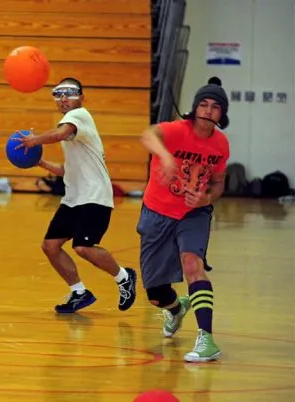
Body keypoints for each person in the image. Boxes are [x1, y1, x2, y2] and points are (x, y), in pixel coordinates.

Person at [15, 77, 137, 314]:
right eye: (58, 94)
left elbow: (60, 134)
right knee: (50, 246)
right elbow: (66, 170)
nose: (63, 98)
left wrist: (34, 140)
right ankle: (79, 292)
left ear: (81, 97)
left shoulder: (80, 116)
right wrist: (39, 162)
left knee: (83, 247)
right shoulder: (72, 131)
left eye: (70, 93)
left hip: (95, 197)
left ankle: (124, 277)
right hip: (74, 198)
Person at [137, 78, 230, 362]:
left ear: (221, 114)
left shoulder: (220, 144)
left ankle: (207, 340)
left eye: (215, 107)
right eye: (203, 104)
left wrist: (206, 199)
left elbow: (218, 184)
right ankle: (177, 308)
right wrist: (165, 155)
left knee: (193, 264)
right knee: (155, 292)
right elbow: (148, 134)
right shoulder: (176, 130)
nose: (208, 110)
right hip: (156, 211)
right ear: (194, 107)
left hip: (194, 213)